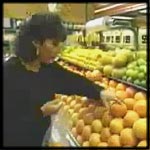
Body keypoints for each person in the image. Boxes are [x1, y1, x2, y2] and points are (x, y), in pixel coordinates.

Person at [3, 12, 116, 146]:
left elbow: (72, 81)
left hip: (40, 138)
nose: (58, 51)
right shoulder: (10, 72)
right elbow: (9, 120)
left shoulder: (47, 68)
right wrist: (41, 112)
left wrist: (99, 91)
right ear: (36, 43)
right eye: (54, 44)